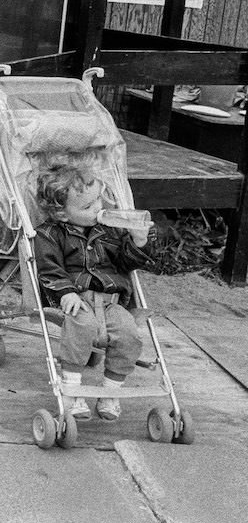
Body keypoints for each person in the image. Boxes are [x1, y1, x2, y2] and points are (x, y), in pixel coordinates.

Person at [34, 164, 152, 421]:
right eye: (87, 207)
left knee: (129, 334)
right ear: (63, 214)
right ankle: (73, 391)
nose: (98, 207)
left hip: (111, 302)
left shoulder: (110, 230)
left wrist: (138, 242)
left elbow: (124, 265)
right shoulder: (50, 234)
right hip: (77, 299)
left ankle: (111, 393)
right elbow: (49, 269)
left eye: (98, 198)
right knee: (81, 325)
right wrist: (66, 292)